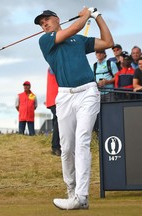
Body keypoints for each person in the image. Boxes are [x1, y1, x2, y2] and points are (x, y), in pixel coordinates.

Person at [34, 7, 114, 210]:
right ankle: (72, 191)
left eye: (46, 20)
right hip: (64, 96)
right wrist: (86, 15)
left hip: (88, 92)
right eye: (41, 23)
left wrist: (97, 17)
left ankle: (81, 196)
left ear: (57, 19)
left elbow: (108, 42)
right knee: (67, 147)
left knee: (82, 141)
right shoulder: (46, 41)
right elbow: (73, 29)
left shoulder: (78, 40)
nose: (44, 24)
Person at [46, 68, 61, 156]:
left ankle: (56, 146)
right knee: (59, 121)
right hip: (55, 99)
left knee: (56, 121)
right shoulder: (54, 66)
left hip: (56, 99)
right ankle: (55, 147)